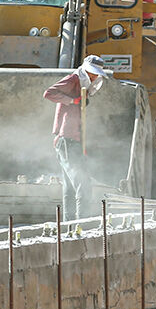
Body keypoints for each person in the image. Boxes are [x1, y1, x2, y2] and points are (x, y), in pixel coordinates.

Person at [43, 54, 112, 219]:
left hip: (72, 140)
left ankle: (69, 224)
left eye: (96, 74)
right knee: (83, 184)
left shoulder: (85, 85)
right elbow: (49, 93)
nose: (94, 77)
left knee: (69, 187)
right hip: (66, 140)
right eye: (92, 73)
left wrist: (82, 145)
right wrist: (72, 101)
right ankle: (82, 223)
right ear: (86, 71)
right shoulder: (73, 79)